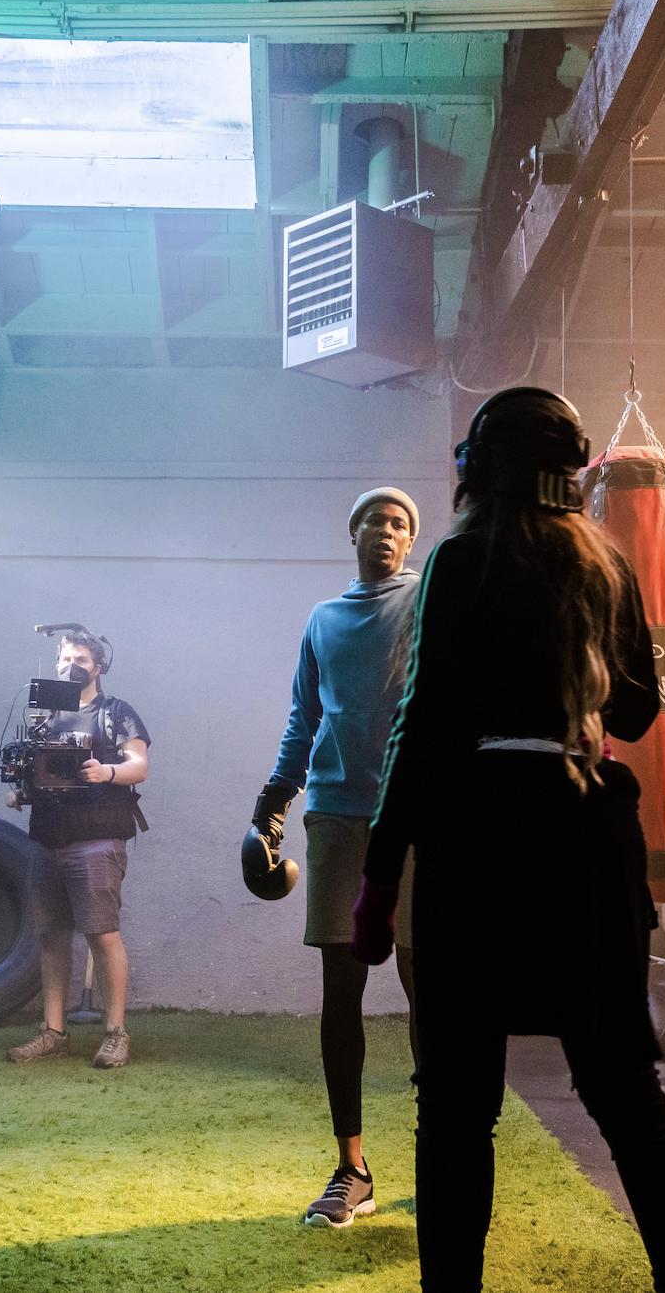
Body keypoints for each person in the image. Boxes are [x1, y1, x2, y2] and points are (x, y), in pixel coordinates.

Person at [352, 387, 665, 1293]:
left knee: (458, 1110)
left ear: (476, 469)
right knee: (628, 1099)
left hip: (477, 838)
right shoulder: (607, 563)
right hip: (586, 831)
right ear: (569, 476)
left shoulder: (460, 556)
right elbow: (633, 710)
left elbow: (422, 724)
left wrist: (380, 873)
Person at [254, 487, 425, 1228]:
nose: (385, 531)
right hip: (335, 816)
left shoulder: (427, 597)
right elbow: (304, 716)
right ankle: (351, 1168)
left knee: (431, 994)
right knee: (340, 997)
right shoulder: (323, 619)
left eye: (398, 523)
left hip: (417, 817)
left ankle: (438, 1154)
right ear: (351, 532)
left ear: (411, 541)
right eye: (374, 520)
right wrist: (274, 799)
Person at [6, 629, 150, 1070]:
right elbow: (35, 772)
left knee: (102, 935)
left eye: (83, 659)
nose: (73, 666)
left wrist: (104, 772)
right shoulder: (45, 717)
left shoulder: (115, 712)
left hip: (96, 839)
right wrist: (21, 790)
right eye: (66, 658)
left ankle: (114, 1033)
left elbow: (139, 766)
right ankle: (53, 1031)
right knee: (50, 936)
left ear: (99, 667)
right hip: (46, 836)